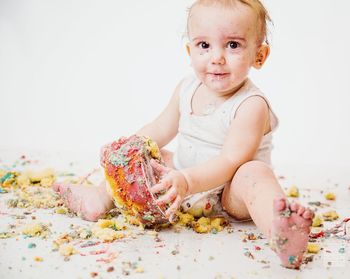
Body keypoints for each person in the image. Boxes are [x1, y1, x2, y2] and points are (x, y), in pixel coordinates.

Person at [53, 0, 314, 269]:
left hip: (228, 195)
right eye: (204, 45)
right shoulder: (186, 88)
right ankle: (100, 196)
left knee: (254, 173)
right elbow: (158, 130)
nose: (216, 57)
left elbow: (230, 161)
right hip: (178, 187)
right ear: (190, 51)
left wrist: (188, 181)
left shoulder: (251, 105)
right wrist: (128, 150)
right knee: (146, 156)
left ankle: (281, 232)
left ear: (259, 56)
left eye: (233, 45)